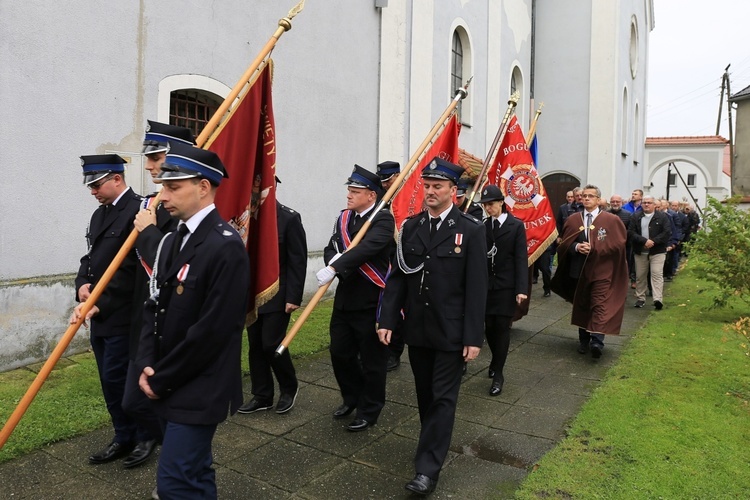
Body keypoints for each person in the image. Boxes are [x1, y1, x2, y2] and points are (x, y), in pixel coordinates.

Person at [136, 142, 249, 498]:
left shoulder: (226, 246)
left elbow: (213, 331)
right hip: (167, 377)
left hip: (200, 384)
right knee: (195, 473)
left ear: (203, 187)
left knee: (173, 482)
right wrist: (145, 363)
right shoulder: (172, 240)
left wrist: (162, 377)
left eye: (173, 187)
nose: (162, 196)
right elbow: (153, 306)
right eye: (163, 187)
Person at [377, 157, 487, 496]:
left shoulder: (470, 230)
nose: (430, 192)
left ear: (453, 191)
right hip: (419, 330)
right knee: (425, 396)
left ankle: (427, 470)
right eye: (426, 186)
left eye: (437, 186)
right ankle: (433, 444)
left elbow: (476, 288)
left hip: (452, 332)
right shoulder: (411, 227)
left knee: (442, 399)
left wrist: (473, 337)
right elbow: (399, 278)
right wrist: (387, 318)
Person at [118, 121, 196, 469]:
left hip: (176, 328)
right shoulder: (151, 204)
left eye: (156, 157)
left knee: (173, 407)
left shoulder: (188, 209)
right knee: (133, 401)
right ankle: (170, 448)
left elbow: (173, 266)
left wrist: (148, 232)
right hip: (144, 323)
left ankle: (182, 461)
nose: (148, 166)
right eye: (148, 158)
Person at [71, 154, 143, 465]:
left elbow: (133, 271)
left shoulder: (139, 210)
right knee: (107, 380)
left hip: (123, 314)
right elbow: (90, 257)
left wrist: (99, 302)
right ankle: (123, 435)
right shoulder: (100, 215)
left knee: (124, 379)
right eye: (90, 185)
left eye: (97, 184)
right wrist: (82, 285)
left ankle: (145, 435)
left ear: (117, 178)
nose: (92, 191)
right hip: (98, 313)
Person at [317, 165, 395, 432]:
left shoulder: (383, 219)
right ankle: (351, 398)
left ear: (371, 195)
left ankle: (369, 409)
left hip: (371, 301)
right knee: (340, 353)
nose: (349, 195)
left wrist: (337, 266)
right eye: (349, 190)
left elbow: (368, 248)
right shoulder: (344, 218)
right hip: (345, 300)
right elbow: (331, 247)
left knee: (373, 361)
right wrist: (331, 261)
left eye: (354, 191)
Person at [239, 177, 307, 414]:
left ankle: (289, 387)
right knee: (255, 345)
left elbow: (297, 260)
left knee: (271, 344)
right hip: (252, 294)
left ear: (272, 188)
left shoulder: (288, 218)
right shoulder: (246, 219)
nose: (255, 191)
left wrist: (294, 297)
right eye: (253, 187)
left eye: (260, 187)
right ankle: (262, 395)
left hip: (278, 294)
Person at [550, 184, 628, 358]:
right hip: (579, 270)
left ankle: (597, 341)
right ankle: (584, 340)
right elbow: (564, 244)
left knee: (599, 303)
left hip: (602, 271)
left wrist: (596, 247)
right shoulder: (573, 220)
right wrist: (577, 247)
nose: (586, 198)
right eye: (584, 196)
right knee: (583, 304)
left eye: (590, 196)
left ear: (598, 200)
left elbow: (618, 243)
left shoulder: (611, 220)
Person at [478, 185, 527, 395]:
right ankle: (495, 360)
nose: (489, 209)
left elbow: (520, 259)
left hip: (506, 286)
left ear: (501, 203)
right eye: (486, 206)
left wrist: (521, 289)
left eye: (491, 204)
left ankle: (498, 372)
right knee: (489, 327)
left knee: (502, 328)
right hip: (487, 286)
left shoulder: (516, 226)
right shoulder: (482, 226)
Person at [376, 160, 405, 372]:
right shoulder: (380, 197)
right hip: (384, 259)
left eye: (389, 181)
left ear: (397, 176)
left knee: (400, 308)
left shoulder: (408, 194)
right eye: (383, 182)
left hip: (403, 259)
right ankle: (382, 347)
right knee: (382, 306)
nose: (386, 185)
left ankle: (395, 352)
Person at [628, 195, 671, 310]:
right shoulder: (635, 216)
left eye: (649, 203)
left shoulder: (662, 217)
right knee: (640, 276)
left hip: (657, 251)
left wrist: (653, 241)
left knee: (656, 274)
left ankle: (658, 299)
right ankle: (640, 298)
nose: (646, 205)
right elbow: (631, 232)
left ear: (654, 205)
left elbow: (667, 232)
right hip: (640, 251)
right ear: (641, 204)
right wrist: (644, 241)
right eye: (644, 202)